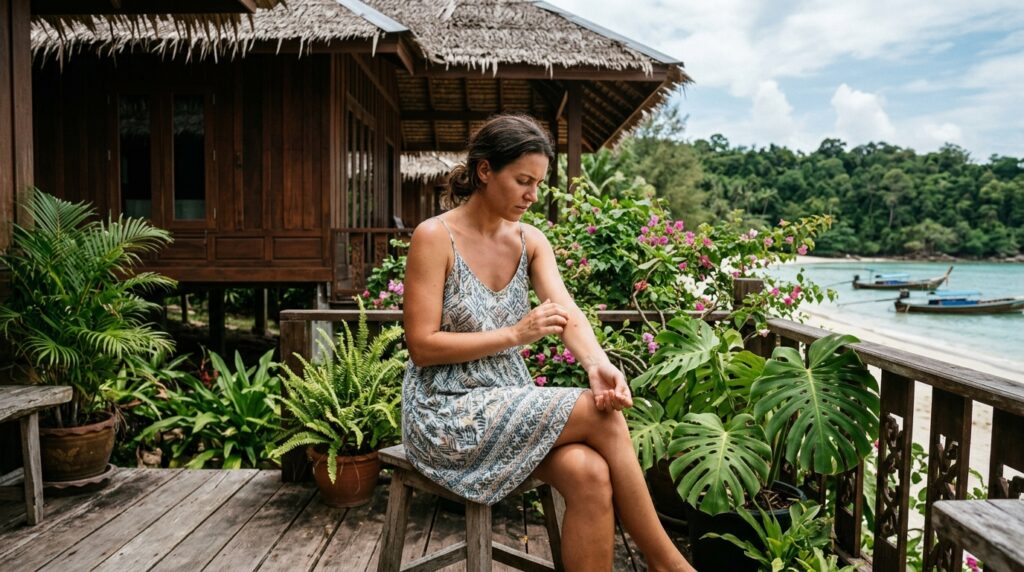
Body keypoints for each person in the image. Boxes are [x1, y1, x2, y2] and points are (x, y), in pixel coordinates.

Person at [401, 114, 696, 572]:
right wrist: (515, 334)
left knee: (590, 474)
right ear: (484, 171)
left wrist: (598, 363)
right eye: (522, 181)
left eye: (538, 184)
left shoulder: (530, 241)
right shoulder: (434, 237)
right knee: (603, 415)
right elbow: (422, 346)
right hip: (444, 411)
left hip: (507, 397)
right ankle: (668, 565)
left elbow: (567, 312)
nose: (532, 196)